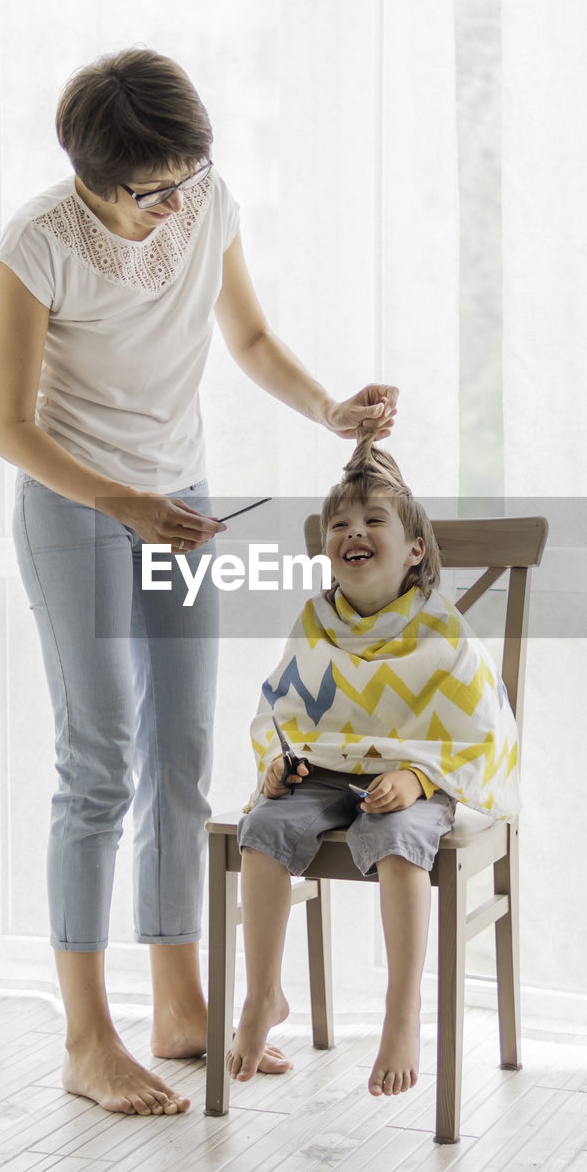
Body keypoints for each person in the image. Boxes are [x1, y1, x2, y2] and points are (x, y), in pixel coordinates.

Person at [0, 47, 398, 1117]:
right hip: (78, 504)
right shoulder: (40, 244)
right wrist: (121, 501)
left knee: (183, 751)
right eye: (152, 190)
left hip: (182, 500)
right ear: (92, 176)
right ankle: (87, 1035)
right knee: (100, 756)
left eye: (188, 178)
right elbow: (9, 425)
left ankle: (180, 1002)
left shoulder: (203, 198)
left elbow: (249, 335)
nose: (178, 205)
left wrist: (329, 412)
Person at [229, 435, 520, 1098]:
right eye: (340, 525)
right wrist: (278, 763)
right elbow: (283, 706)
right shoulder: (316, 620)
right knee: (265, 828)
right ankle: (263, 995)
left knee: (395, 841)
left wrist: (418, 779)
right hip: (323, 770)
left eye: (372, 521)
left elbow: (479, 726)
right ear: (327, 550)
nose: (352, 532)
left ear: (415, 549)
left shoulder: (440, 629)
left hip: (414, 778)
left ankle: (401, 1011)